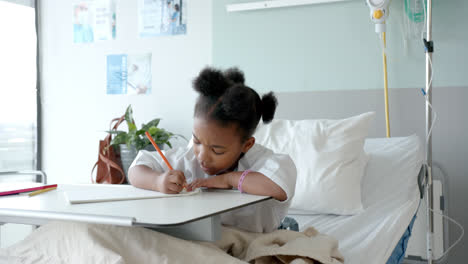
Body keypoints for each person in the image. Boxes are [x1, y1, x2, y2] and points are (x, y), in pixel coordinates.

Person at [128, 67, 297, 233]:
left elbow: (277, 187)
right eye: (196, 141)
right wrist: (157, 181)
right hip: (205, 237)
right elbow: (136, 169)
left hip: (251, 237)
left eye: (217, 151)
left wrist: (228, 179)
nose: (202, 156)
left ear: (246, 145)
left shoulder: (266, 162)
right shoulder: (187, 159)